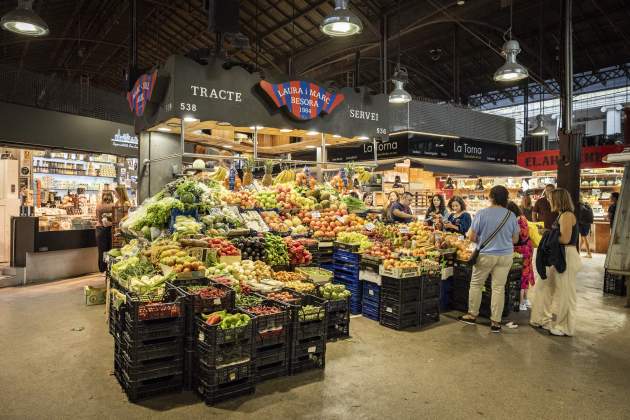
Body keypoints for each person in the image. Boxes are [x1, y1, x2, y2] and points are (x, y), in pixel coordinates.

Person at [458, 186, 520, 333]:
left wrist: (483, 238)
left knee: (476, 284)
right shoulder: (510, 215)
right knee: (498, 288)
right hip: (505, 256)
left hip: (485, 255)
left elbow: (472, 237)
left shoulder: (482, 213)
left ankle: (472, 315)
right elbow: (515, 239)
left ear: (490, 196)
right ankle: (496, 322)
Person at [530, 188, 582, 337]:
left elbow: (565, 239)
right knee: (544, 285)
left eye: (551, 199)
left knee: (566, 293)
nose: (549, 201)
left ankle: (565, 327)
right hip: (559, 255)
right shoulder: (561, 215)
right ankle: (541, 318)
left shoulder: (567, 215)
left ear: (558, 200)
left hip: (566, 255)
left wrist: (548, 236)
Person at [507, 201, 534, 311]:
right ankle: (526, 299)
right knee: (526, 273)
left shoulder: (514, 221)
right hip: (528, 248)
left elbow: (515, 238)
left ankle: (521, 302)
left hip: (520, 250)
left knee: (520, 275)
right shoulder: (522, 218)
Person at [95, 190, 115, 273]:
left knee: (102, 250)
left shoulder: (99, 206)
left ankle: (103, 269)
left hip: (100, 229)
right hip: (110, 229)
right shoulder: (113, 206)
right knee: (111, 250)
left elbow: (97, 217)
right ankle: (110, 268)